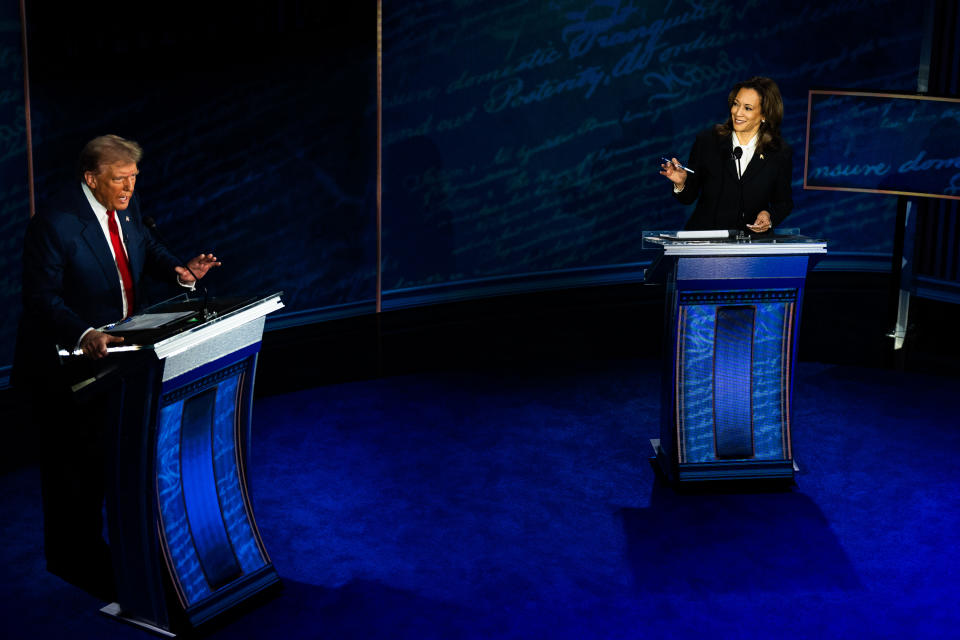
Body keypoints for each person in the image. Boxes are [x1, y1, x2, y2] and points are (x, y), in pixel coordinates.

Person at [13, 134, 220, 600]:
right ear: (92, 179)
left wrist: (179, 272)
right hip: (65, 368)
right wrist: (84, 334)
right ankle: (73, 558)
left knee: (109, 458)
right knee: (74, 469)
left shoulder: (126, 204)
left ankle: (114, 550)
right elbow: (39, 299)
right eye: (119, 179)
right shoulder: (55, 224)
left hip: (121, 358)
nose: (128, 187)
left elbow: (142, 243)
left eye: (133, 178)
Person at [660, 76, 793, 233]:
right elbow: (688, 197)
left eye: (748, 108)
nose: (738, 112)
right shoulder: (708, 141)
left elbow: (784, 203)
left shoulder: (778, 152)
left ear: (764, 115)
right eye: (736, 104)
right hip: (705, 241)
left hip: (749, 247)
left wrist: (769, 215)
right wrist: (681, 183)